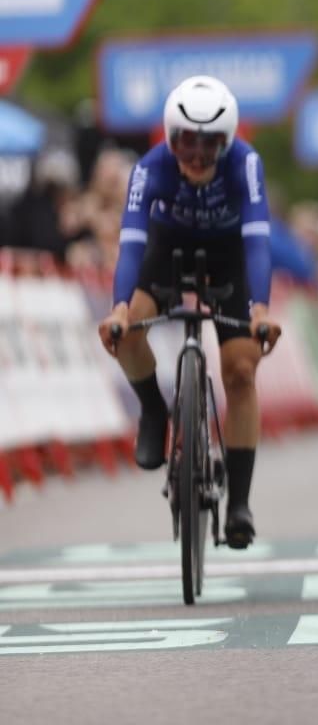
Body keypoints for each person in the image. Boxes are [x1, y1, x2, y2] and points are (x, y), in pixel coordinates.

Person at [95, 76, 280, 550]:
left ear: (229, 140)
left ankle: (239, 502)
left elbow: (259, 238)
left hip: (229, 256)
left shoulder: (247, 163)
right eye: (186, 143)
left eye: (210, 145)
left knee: (241, 370)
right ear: (169, 137)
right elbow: (132, 239)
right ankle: (154, 411)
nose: (196, 156)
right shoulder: (150, 167)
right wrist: (119, 310)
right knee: (129, 328)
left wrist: (259, 309)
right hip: (167, 249)